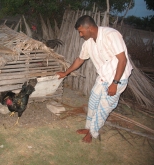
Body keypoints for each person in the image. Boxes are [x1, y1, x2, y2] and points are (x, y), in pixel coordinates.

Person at [57, 15, 133, 143]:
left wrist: (115, 83)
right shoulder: (88, 43)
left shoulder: (111, 35)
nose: (80, 35)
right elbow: (80, 60)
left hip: (117, 78)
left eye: (81, 31)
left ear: (90, 28)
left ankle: (92, 132)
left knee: (103, 108)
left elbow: (122, 59)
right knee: (93, 103)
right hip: (103, 77)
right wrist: (66, 73)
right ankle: (88, 128)